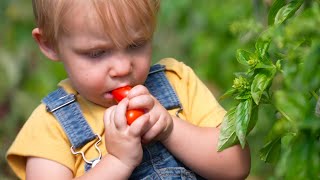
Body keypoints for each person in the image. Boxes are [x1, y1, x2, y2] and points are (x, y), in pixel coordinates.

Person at [7, 0, 251, 179]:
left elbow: (236, 166)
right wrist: (116, 162)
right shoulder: (50, 128)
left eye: (136, 44)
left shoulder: (177, 83)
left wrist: (170, 128)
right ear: (49, 44)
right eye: (97, 53)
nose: (123, 68)